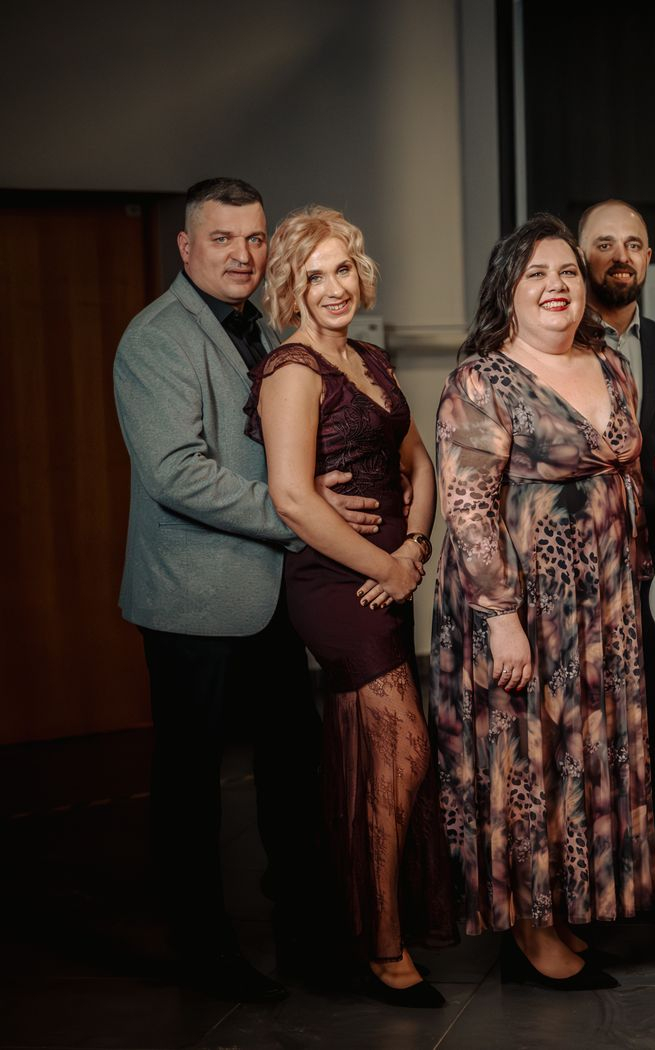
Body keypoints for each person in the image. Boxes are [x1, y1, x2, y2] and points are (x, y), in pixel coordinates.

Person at [113, 178, 378, 1002]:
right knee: (192, 788)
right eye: (222, 239)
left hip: (273, 593)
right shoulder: (155, 338)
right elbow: (174, 474)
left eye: (255, 238)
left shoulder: (268, 328)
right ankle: (205, 954)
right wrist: (299, 511)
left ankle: (306, 941)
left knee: (291, 778)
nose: (243, 254)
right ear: (185, 248)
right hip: (194, 599)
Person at [430, 213, 655, 992]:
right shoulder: (481, 379)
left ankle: (562, 910)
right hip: (523, 606)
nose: (556, 286)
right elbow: (466, 506)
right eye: (537, 275)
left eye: (566, 272)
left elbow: (625, 481)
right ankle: (527, 929)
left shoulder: (612, 364)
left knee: (577, 758)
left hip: (602, 606)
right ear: (509, 291)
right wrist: (500, 619)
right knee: (524, 761)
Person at [247, 205, 453, 1007]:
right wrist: (385, 567)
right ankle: (382, 942)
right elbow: (294, 499)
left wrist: (415, 550)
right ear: (291, 288)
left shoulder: (368, 357)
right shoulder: (292, 370)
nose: (332, 286)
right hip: (334, 587)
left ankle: (362, 929)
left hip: (387, 575)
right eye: (313, 274)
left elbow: (421, 463)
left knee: (372, 762)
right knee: (404, 750)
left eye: (341, 269)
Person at [579, 198, 655, 899]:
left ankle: (651, 875)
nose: (619, 255)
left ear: (648, 259)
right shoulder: (554, 347)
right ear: (580, 257)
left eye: (634, 244)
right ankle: (592, 874)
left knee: (650, 730)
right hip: (580, 576)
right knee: (588, 731)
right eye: (603, 243)